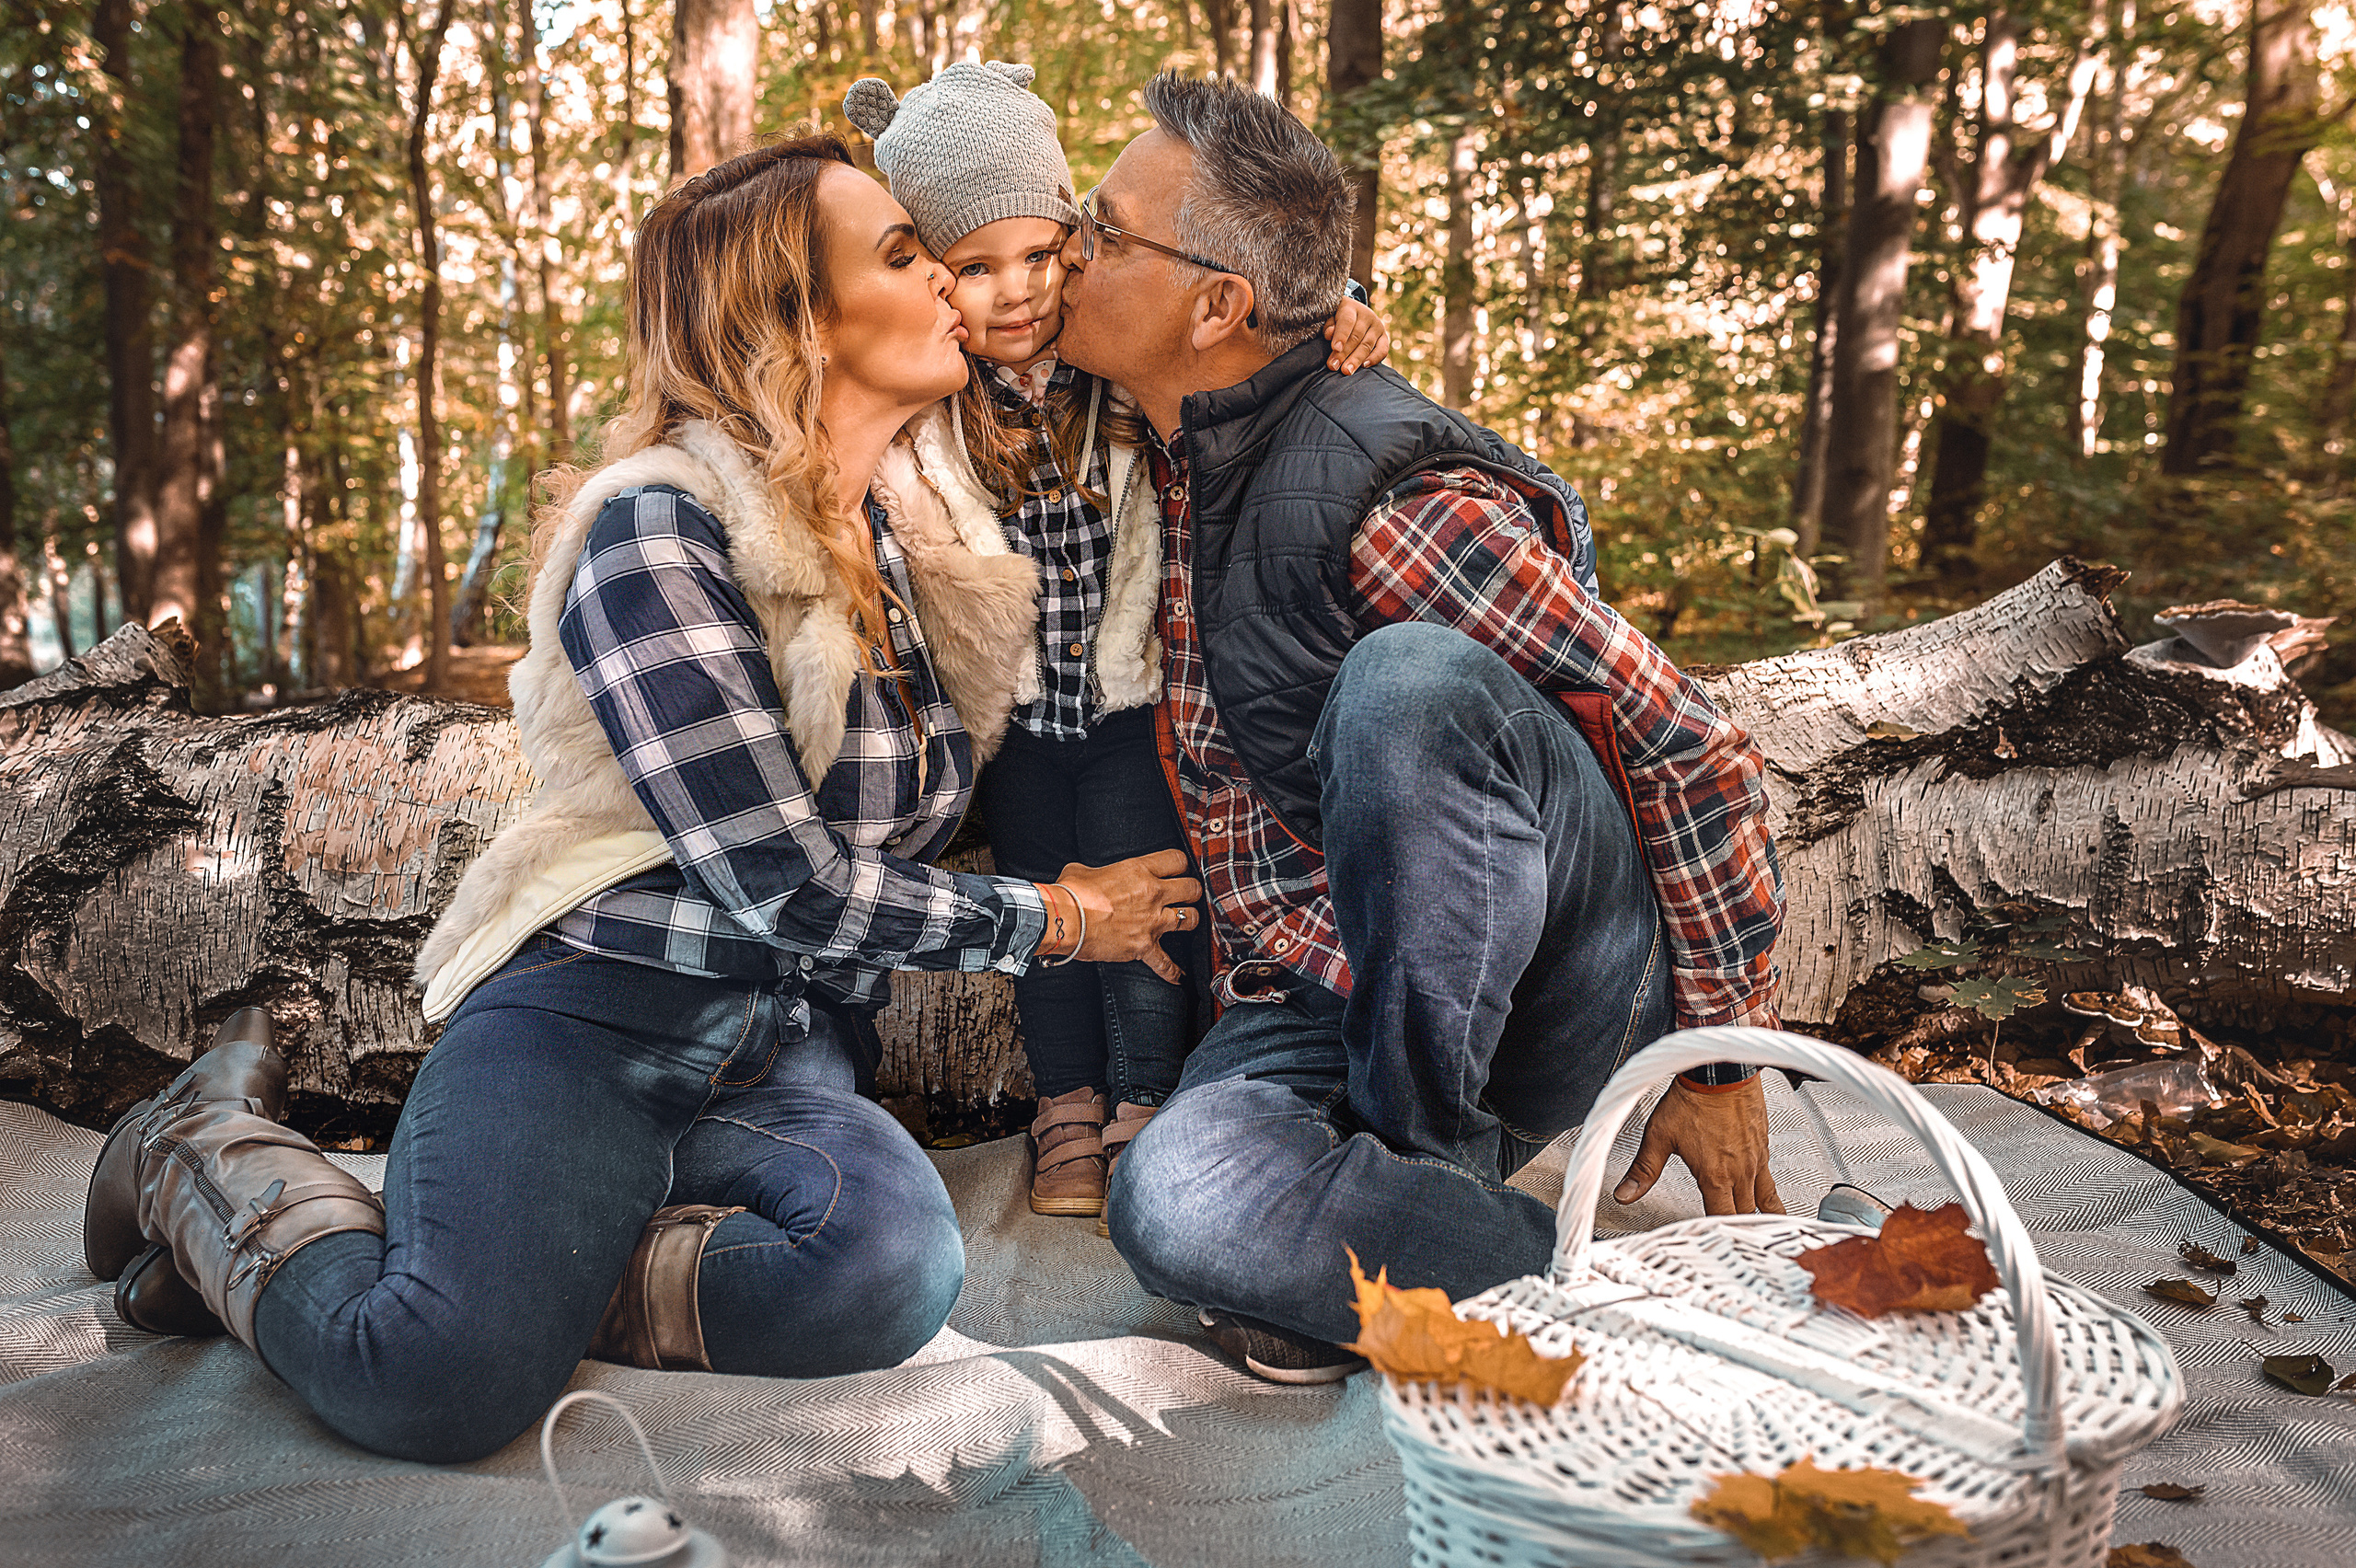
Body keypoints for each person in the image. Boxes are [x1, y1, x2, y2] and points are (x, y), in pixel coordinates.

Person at [78, 134, 1201, 1463]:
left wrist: (1323, 322)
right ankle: (201, 1146)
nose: (957, 284)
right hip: (598, 1023)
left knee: (887, 1270)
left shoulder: (903, 539)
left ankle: (434, 1266)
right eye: (904, 255)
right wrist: (1060, 921)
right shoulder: (658, 531)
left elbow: (1106, 340)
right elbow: (780, 881)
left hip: (786, 1055)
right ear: (794, 324)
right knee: (434, 1384)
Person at [1054, 75, 1788, 1382]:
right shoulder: (1140, 442)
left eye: (1103, 232)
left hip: (1535, 980)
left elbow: (1685, 739)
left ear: (1219, 304)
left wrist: (1721, 1058)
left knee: (1408, 684)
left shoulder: (1391, 493)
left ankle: (1412, 1171)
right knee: (1170, 1197)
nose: (1070, 250)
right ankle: (1588, 1302)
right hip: (1314, 992)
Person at [841, 62, 1388, 1224]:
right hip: (1019, 724)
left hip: (1133, 699)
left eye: (1042, 254)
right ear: (936, 279)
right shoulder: (936, 395)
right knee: (1055, 907)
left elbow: (1229, 325)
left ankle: (1146, 1095)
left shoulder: (1113, 363)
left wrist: (1341, 298)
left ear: (1074, 242)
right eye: (974, 270)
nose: (1019, 292)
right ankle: (1068, 1111)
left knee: (1154, 897)